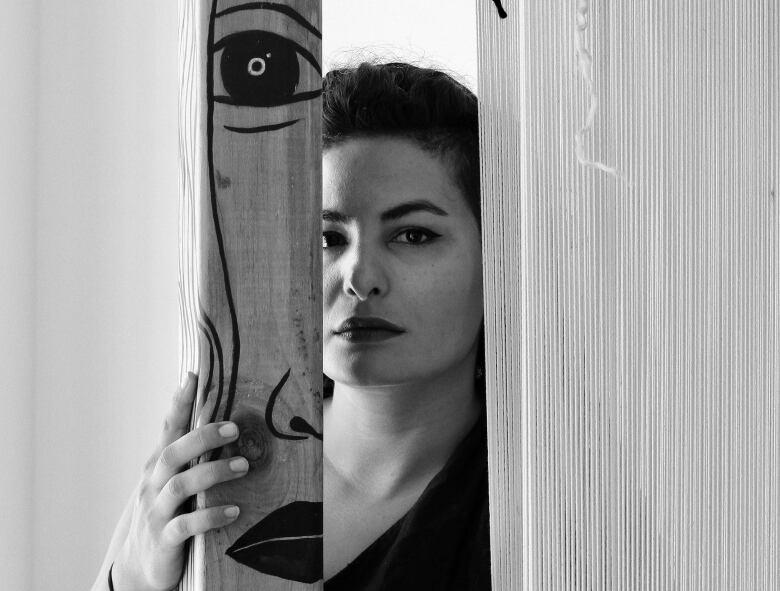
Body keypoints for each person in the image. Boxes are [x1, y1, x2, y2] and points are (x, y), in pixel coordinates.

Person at [93, 60, 490, 591]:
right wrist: (137, 578)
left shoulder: (543, 498)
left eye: (413, 235)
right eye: (327, 239)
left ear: (498, 257)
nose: (360, 279)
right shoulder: (212, 464)